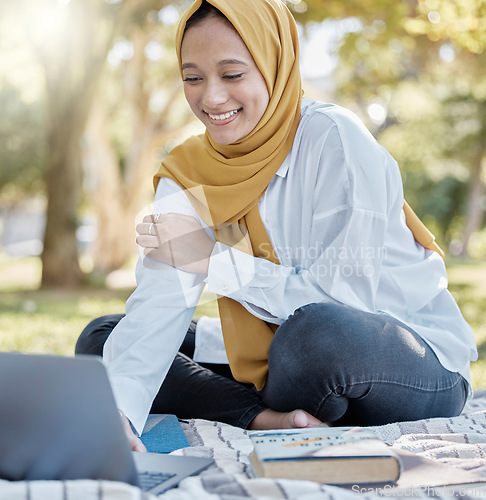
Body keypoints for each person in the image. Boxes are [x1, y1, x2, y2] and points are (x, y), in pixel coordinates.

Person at [76, 0, 477, 453]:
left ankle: (267, 400)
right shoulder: (187, 171)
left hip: (396, 354)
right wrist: (119, 415)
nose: (211, 98)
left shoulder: (334, 140)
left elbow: (347, 301)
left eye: (232, 75)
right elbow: (161, 300)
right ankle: (266, 418)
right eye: (193, 78)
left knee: (312, 336)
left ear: (275, 65)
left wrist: (211, 261)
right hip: (276, 360)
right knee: (102, 342)